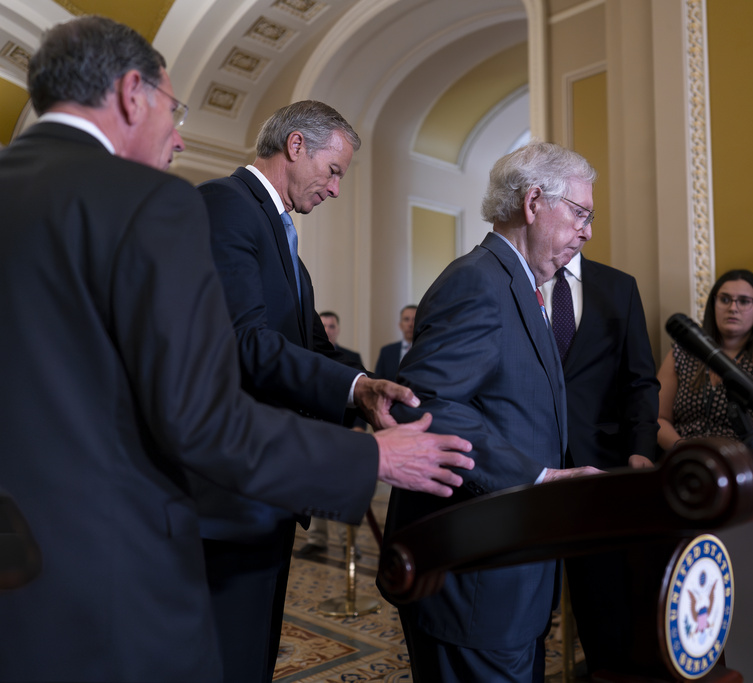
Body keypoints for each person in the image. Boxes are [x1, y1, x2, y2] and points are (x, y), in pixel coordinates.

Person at [0, 16, 473, 683]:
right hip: (111, 574)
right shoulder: (154, 203)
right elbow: (202, 413)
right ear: (133, 93)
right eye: (174, 107)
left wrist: (359, 386)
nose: (180, 132)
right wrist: (370, 456)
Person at [196, 101, 429, 683]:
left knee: (254, 654)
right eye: (334, 169)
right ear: (296, 145)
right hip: (231, 488)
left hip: (270, 489)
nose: (337, 187)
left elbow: (305, 350)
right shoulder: (226, 206)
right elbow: (246, 342)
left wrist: (367, 390)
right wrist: (351, 385)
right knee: (229, 658)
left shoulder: (281, 232)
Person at [381, 141, 603, 683]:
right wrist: (539, 476)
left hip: (508, 566)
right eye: (580, 213)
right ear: (533, 203)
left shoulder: (525, 287)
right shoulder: (477, 281)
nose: (587, 231)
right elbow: (426, 408)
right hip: (472, 577)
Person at [538, 249, 660, 674]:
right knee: (529, 602)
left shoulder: (618, 286)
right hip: (529, 468)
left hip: (601, 467)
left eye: (587, 215)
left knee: (605, 604)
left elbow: (640, 379)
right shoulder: (515, 282)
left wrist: (642, 449)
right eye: (576, 212)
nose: (583, 226)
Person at [656, 269, 753, 450]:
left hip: (744, 464)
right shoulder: (682, 353)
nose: (733, 308)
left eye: (743, 301)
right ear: (713, 304)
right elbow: (658, 418)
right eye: (725, 299)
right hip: (685, 459)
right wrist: (683, 448)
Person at [299, 310, 368, 558]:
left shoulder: (350, 357)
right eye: (324, 325)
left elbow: (361, 396)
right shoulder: (306, 353)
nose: (328, 329)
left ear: (338, 329)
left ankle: (349, 543)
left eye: (331, 326)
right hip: (318, 434)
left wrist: (359, 427)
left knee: (345, 491)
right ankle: (317, 540)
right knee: (316, 487)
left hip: (346, 434)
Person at [375, 304, 417, 381]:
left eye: (414, 319)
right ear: (400, 325)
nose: (410, 324)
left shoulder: (427, 350)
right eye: (406, 319)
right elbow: (378, 381)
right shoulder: (386, 352)